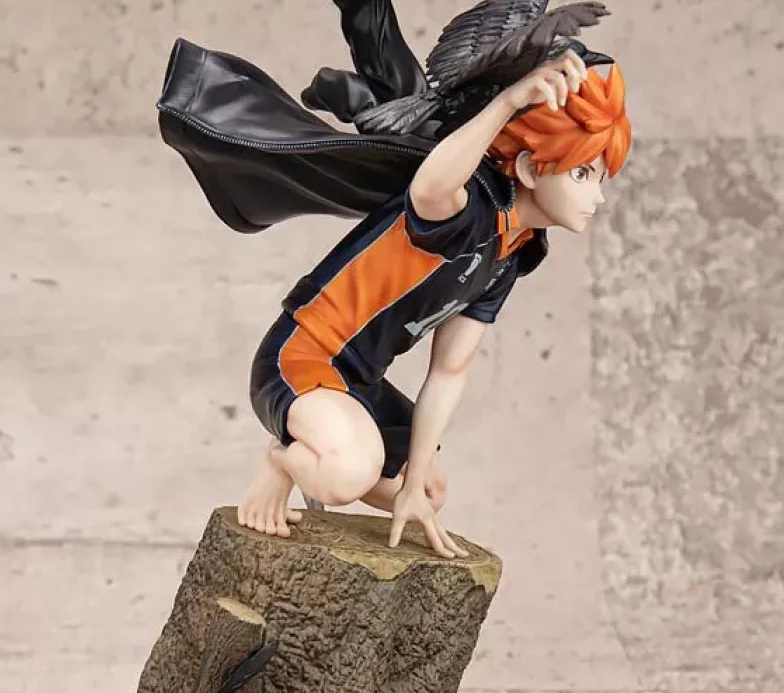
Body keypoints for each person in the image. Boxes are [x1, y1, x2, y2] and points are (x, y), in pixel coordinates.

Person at [238, 56, 631, 556]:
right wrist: (510, 101)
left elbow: (449, 370)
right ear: (532, 168)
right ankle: (282, 461)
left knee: (427, 490)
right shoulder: (465, 209)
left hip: (358, 383)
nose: (597, 198)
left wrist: (410, 487)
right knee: (345, 475)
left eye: (600, 179)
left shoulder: (510, 253)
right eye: (582, 174)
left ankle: (332, 451)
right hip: (300, 356)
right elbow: (429, 186)